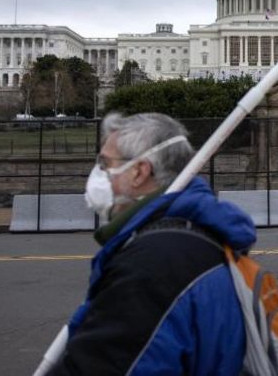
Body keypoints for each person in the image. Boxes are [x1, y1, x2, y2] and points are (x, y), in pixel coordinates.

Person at [48, 112, 257, 376]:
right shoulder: (195, 234)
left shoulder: (152, 264)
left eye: (105, 163)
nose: (98, 174)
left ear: (139, 172)